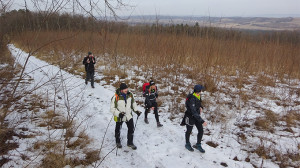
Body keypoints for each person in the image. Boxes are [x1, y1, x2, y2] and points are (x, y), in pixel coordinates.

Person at [110, 83, 142, 150]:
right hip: (120, 116)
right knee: (118, 129)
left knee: (131, 129)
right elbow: (112, 108)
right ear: (121, 90)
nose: (126, 90)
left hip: (128, 115)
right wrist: (119, 114)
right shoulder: (116, 97)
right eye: (125, 89)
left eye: (127, 88)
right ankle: (118, 142)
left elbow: (133, 104)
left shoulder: (130, 95)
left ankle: (130, 143)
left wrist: (136, 111)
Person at [182, 84, 207, 153]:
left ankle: (198, 144)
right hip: (190, 117)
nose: (202, 91)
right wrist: (202, 121)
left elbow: (198, 104)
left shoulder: (198, 95)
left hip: (196, 117)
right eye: (201, 90)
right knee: (189, 131)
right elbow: (193, 111)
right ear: (199, 91)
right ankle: (187, 143)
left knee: (201, 130)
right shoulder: (192, 98)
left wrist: (201, 107)